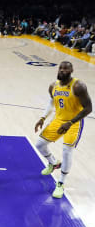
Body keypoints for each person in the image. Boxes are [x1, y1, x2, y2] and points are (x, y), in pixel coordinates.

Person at [34, 61, 92, 198]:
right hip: (58, 120)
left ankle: (60, 183)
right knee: (40, 144)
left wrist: (70, 122)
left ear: (71, 70)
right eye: (60, 68)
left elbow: (89, 108)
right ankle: (54, 163)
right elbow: (51, 101)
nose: (62, 71)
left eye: (65, 69)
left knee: (67, 150)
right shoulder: (53, 85)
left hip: (74, 123)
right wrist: (42, 118)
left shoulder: (78, 86)